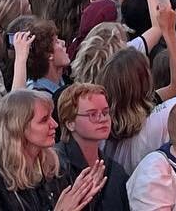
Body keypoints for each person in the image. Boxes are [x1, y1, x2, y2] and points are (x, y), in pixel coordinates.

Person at [55, 83, 130, 211]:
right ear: (70, 123)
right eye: (92, 114)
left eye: (105, 112)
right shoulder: (55, 167)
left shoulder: (116, 172)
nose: (103, 119)